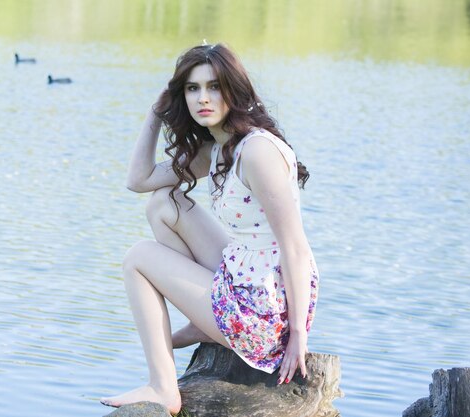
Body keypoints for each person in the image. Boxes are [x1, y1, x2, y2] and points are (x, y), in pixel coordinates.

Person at [100, 43, 319, 414]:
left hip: (264, 316)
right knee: (163, 204)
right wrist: (155, 114)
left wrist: (298, 334)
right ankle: (203, 322)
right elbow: (140, 180)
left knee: (138, 257)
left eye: (214, 86)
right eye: (192, 88)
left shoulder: (257, 152)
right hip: (247, 278)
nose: (203, 97)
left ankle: (162, 386)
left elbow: (295, 248)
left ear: (234, 90)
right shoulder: (219, 148)